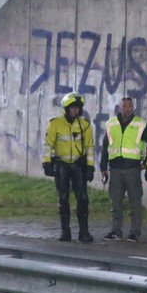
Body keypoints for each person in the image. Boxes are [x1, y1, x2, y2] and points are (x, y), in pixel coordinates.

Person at [42, 92, 96, 243]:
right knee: (63, 198)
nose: (75, 111)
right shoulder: (55, 124)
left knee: (83, 199)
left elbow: (90, 147)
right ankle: (65, 232)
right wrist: (46, 163)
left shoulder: (85, 125)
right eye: (72, 108)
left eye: (77, 108)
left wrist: (90, 167)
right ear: (66, 108)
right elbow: (48, 145)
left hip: (79, 165)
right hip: (62, 165)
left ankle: (84, 232)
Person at [100, 96, 147, 242]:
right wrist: (103, 167)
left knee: (135, 203)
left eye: (129, 106)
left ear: (133, 107)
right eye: (124, 106)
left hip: (132, 169)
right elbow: (105, 146)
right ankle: (115, 231)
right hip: (115, 169)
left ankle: (135, 232)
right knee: (115, 203)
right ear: (119, 107)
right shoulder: (111, 124)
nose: (127, 108)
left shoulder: (140, 124)